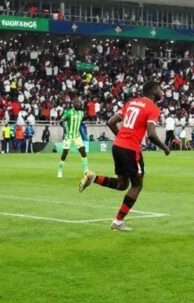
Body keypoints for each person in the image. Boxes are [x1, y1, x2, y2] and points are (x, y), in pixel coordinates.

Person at [78, 81, 171, 232]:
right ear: (153, 91)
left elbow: (110, 122)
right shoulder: (152, 108)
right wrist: (165, 147)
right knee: (137, 185)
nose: (162, 92)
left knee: (122, 185)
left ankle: (93, 178)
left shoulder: (132, 103)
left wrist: (121, 137)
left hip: (117, 146)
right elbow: (152, 135)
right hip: (130, 149)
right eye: (160, 89)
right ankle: (118, 221)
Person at [58, 98, 88, 178]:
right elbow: (61, 121)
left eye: (80, 103)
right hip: (68, 136)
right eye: (78, 104)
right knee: (65, 153)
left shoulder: (81, 113)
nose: (80, 105)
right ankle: (60, 170)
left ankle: (86, 170)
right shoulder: (68, 113)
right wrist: (63, 124)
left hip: (77, 136)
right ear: (74, 105)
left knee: (83, 152)